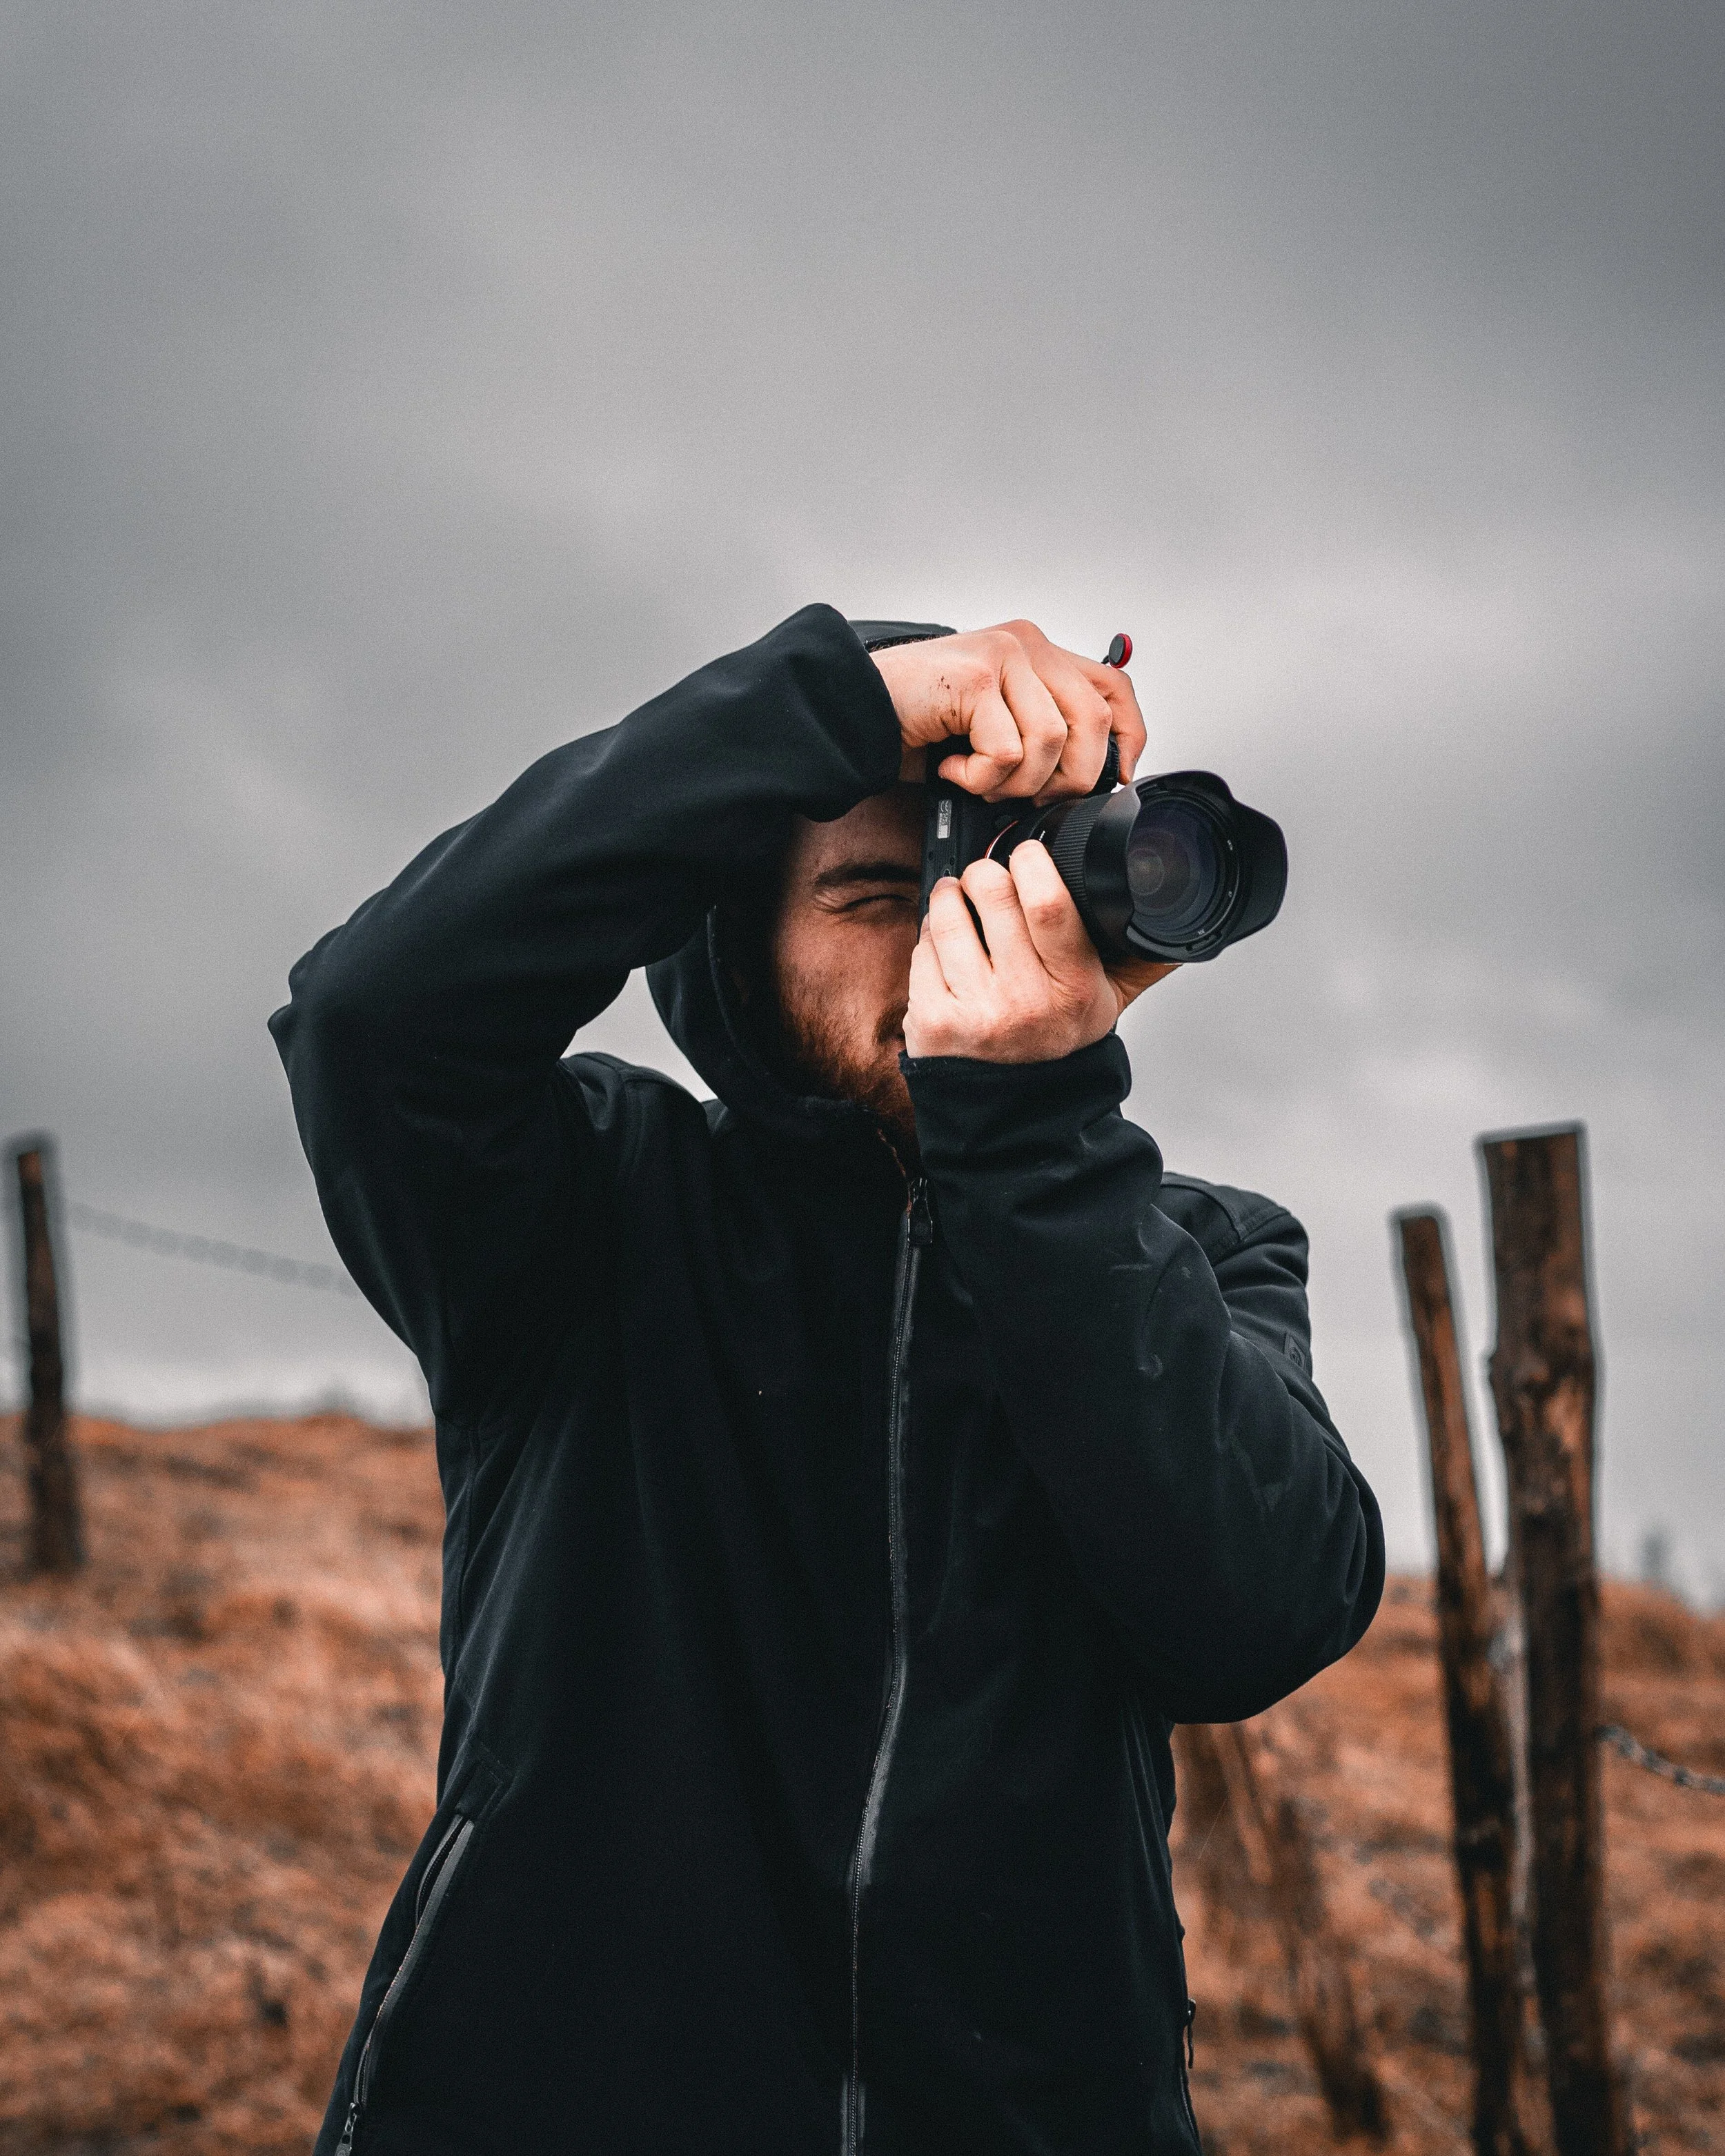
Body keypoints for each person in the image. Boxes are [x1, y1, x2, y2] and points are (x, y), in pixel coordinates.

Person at [270, 607, 1384, 2156]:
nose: (945, 935)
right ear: (734, 945)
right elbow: (370, 1020)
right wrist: (842, 704)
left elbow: (1258, 1611)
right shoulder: (594, 1202)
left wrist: (1038, 1146)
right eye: (873, 894)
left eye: (993, 885)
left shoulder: (1192, 1247)